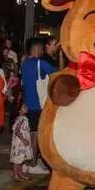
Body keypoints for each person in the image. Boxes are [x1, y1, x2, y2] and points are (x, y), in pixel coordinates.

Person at [19, 38, 56, 174]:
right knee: (36, 135)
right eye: (40, 48)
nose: (42, 51)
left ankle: (27, 163)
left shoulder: (24, 64)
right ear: (35, 49)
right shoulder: (40, 63)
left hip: (29, 103)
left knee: (29, 134)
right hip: (39, 104)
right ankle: (33, 164)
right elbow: (58, 74)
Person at [10, 104, 33, 181]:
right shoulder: (22, 119)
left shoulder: (23, 118)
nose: (27, 107)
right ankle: (15, 174)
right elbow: (17, 131)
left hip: (20, 142)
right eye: (24, 107)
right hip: (19, 143)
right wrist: (23, 139)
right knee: (17, 159)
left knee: (20, 159)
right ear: (19, 111)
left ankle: (19, 173)